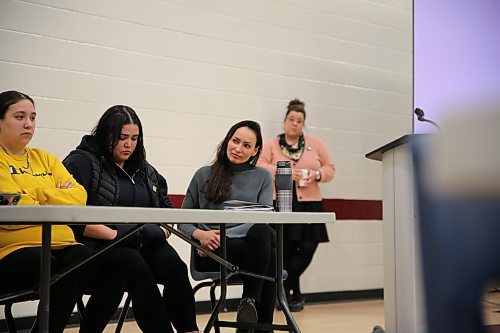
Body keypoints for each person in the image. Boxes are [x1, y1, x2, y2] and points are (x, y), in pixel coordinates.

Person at [63, 105, 199, 333]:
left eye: (135, 138)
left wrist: (163, 231)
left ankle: (190, 330)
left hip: (145, 240)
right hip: (103, 242)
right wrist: (116, 233)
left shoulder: (145, 169)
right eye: (122, 138)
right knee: (138, 269)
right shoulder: (82, 162)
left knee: (175, 267)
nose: (129, 144)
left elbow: (166, 210)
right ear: (106, 134)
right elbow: (71, 216)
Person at [0, 90, 125, 333]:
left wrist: (36, 195)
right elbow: (12, 210)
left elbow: (79, 198)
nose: (28, 124)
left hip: (63, 244)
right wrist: (54, 195)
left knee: (115, 272)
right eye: (20, 116)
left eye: (33, 117)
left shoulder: (45, 159)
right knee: (63, 272)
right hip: (12, 250)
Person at [179, 120, 276, 333]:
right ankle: (257, 325)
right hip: (211, 250)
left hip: (248, 246)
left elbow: (262, 217)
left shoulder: (263, 177)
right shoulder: (203, 174)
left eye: (246, 145)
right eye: (235, 141)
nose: (238, 149)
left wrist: (226, 234)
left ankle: (249, 302)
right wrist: (199, 234)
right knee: (270, 253)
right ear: (227, 140)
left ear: (255, 151)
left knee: (264, 232)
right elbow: (182, 219)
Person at [257, 98, 335, 312]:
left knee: (309, 246)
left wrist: (315, 174)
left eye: (299, 121)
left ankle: (282, 288)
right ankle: (293, 295)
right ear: (284, 121)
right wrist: (286, 172)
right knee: (286, 248)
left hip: (310, 202)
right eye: (291, 119)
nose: (294, 124)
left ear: (303, 124)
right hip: (281, 201)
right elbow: (260, 166)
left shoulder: (315, 144)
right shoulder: (272, 144)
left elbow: (330, 169)